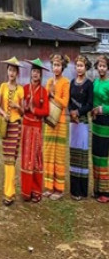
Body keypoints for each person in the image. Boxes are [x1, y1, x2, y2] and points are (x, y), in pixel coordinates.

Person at [0, 57, 25, 206]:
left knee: (12, 160)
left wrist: (17, 106)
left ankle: (9, 193)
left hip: (15, 126)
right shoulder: (2, 86)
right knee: (6, 159)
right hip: (5, 125)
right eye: (9, 70)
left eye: (14, 70)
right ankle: (9, 191)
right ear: (7, 71)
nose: (11, 72)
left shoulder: (20, 89)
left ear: (17, 72)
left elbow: (24, 111)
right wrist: (3, 113)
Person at [21, 58, 50, 203]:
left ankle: (36, 191)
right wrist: (25, 108)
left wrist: (35, 110)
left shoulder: (44, 91)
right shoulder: (25, 88)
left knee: (36, 160)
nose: (35, 74)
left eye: (38, 72)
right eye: (33, 71)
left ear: (40, 75)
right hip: (26, 127)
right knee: (26, 159)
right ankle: (26, 191)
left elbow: (46, 111)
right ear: (30, 73)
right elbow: (20, 109)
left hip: (37, 128)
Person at [43, 53, 70, 200]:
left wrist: (53, 96)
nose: (56, 67)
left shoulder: (65, 82)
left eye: (59, 65)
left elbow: (65, 102)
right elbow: (44, 98)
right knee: (48, 153)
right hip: (49, 121)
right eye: (54, 65)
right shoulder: (48, 81)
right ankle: (48, 186)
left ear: (63, 67)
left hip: (60, 122)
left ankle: (59, 189)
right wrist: (49, 93)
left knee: (58, 155)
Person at [68, 55, 93, 200]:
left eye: (81, 65)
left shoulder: (89, 84)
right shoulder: (72, 82)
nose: (79, 68)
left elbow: (90, 104)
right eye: (77, 65)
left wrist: (78, 112)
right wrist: (71, 112)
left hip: (82, 122)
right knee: (74, 155)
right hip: (73, 123)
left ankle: (82, 190)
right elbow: (69, 101)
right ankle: (74, 190)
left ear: (86, 67)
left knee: (82, 156)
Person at [92, 54, 109, 203]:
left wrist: (102, 109)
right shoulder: (95, 82)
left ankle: (105, 191)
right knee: (95, 155)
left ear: (107, 68)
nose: (101, 68)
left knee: (103, 157)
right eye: (100, 66)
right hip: (95, 123)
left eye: (104, 66)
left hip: (105, 123)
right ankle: (96, 189)